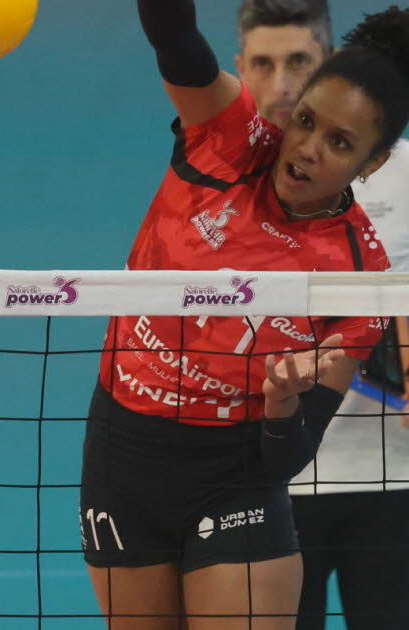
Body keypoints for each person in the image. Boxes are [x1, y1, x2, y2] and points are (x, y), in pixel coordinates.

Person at [80, 1, 408, 627]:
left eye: (340, 142)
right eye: (307, 120)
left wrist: (284, 405)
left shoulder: (358, 276)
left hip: (236, 477)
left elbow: (289, 457)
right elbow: (173, 34)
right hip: (123, 454)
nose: (308, 149)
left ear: (372, 163)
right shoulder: (227, 140)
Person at [232, 1, 409, 627]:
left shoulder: (402, 177)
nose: (280, 84)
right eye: (263, 64)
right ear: (241, 67)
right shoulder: (230, 174)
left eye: (298, 63)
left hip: (391, 483)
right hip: (264, 484)